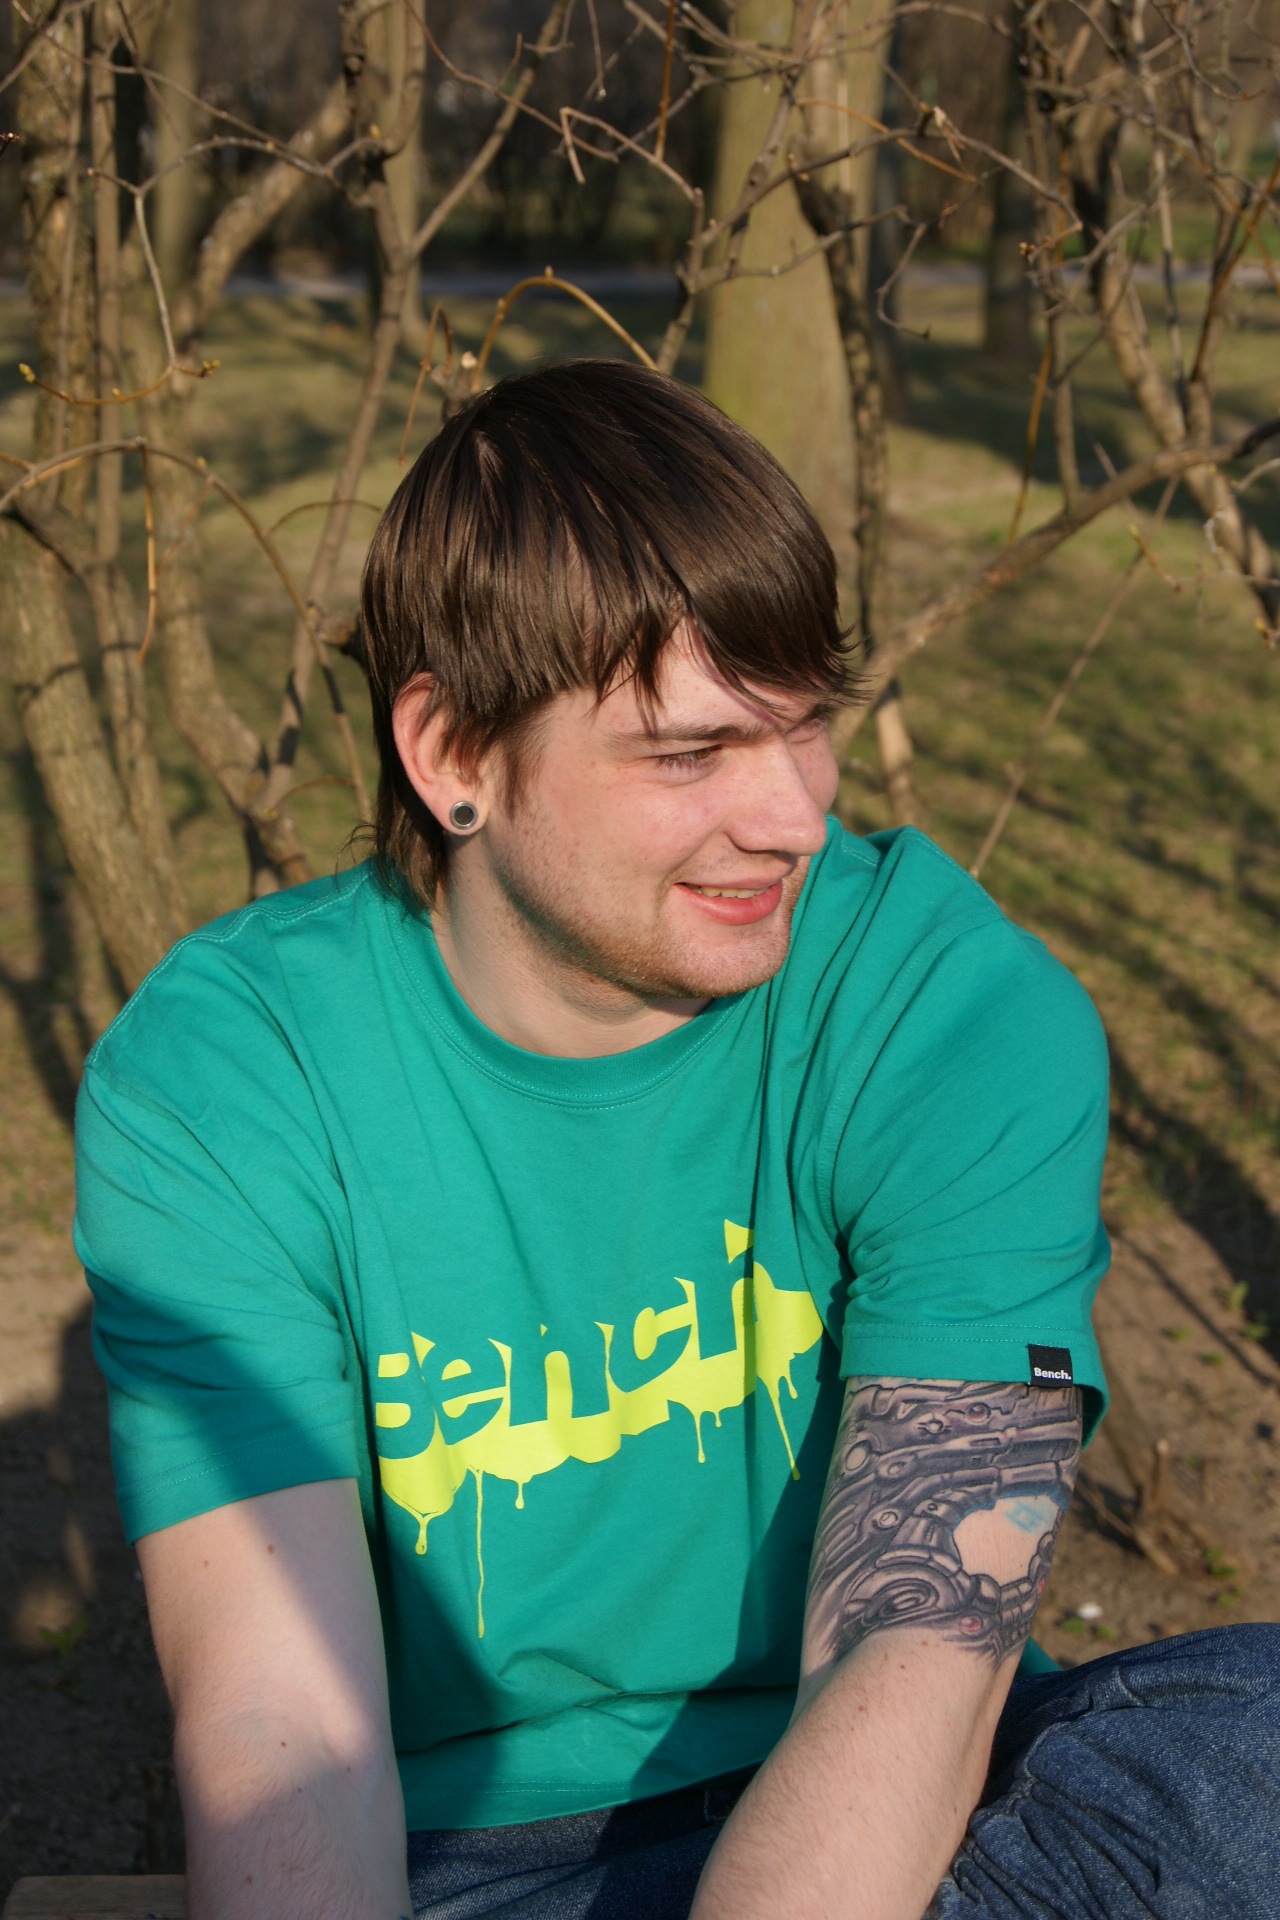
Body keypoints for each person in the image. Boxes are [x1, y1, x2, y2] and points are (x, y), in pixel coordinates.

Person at [75, 359, 1279, 1920]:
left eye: (807, 723)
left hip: (906, 1804)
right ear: (452, 755)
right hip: (492, 1863)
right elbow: (280, 1720)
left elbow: (926, 1639)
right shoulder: (231, 1081)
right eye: (692, 751)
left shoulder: (945, 1009)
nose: (794, 815)